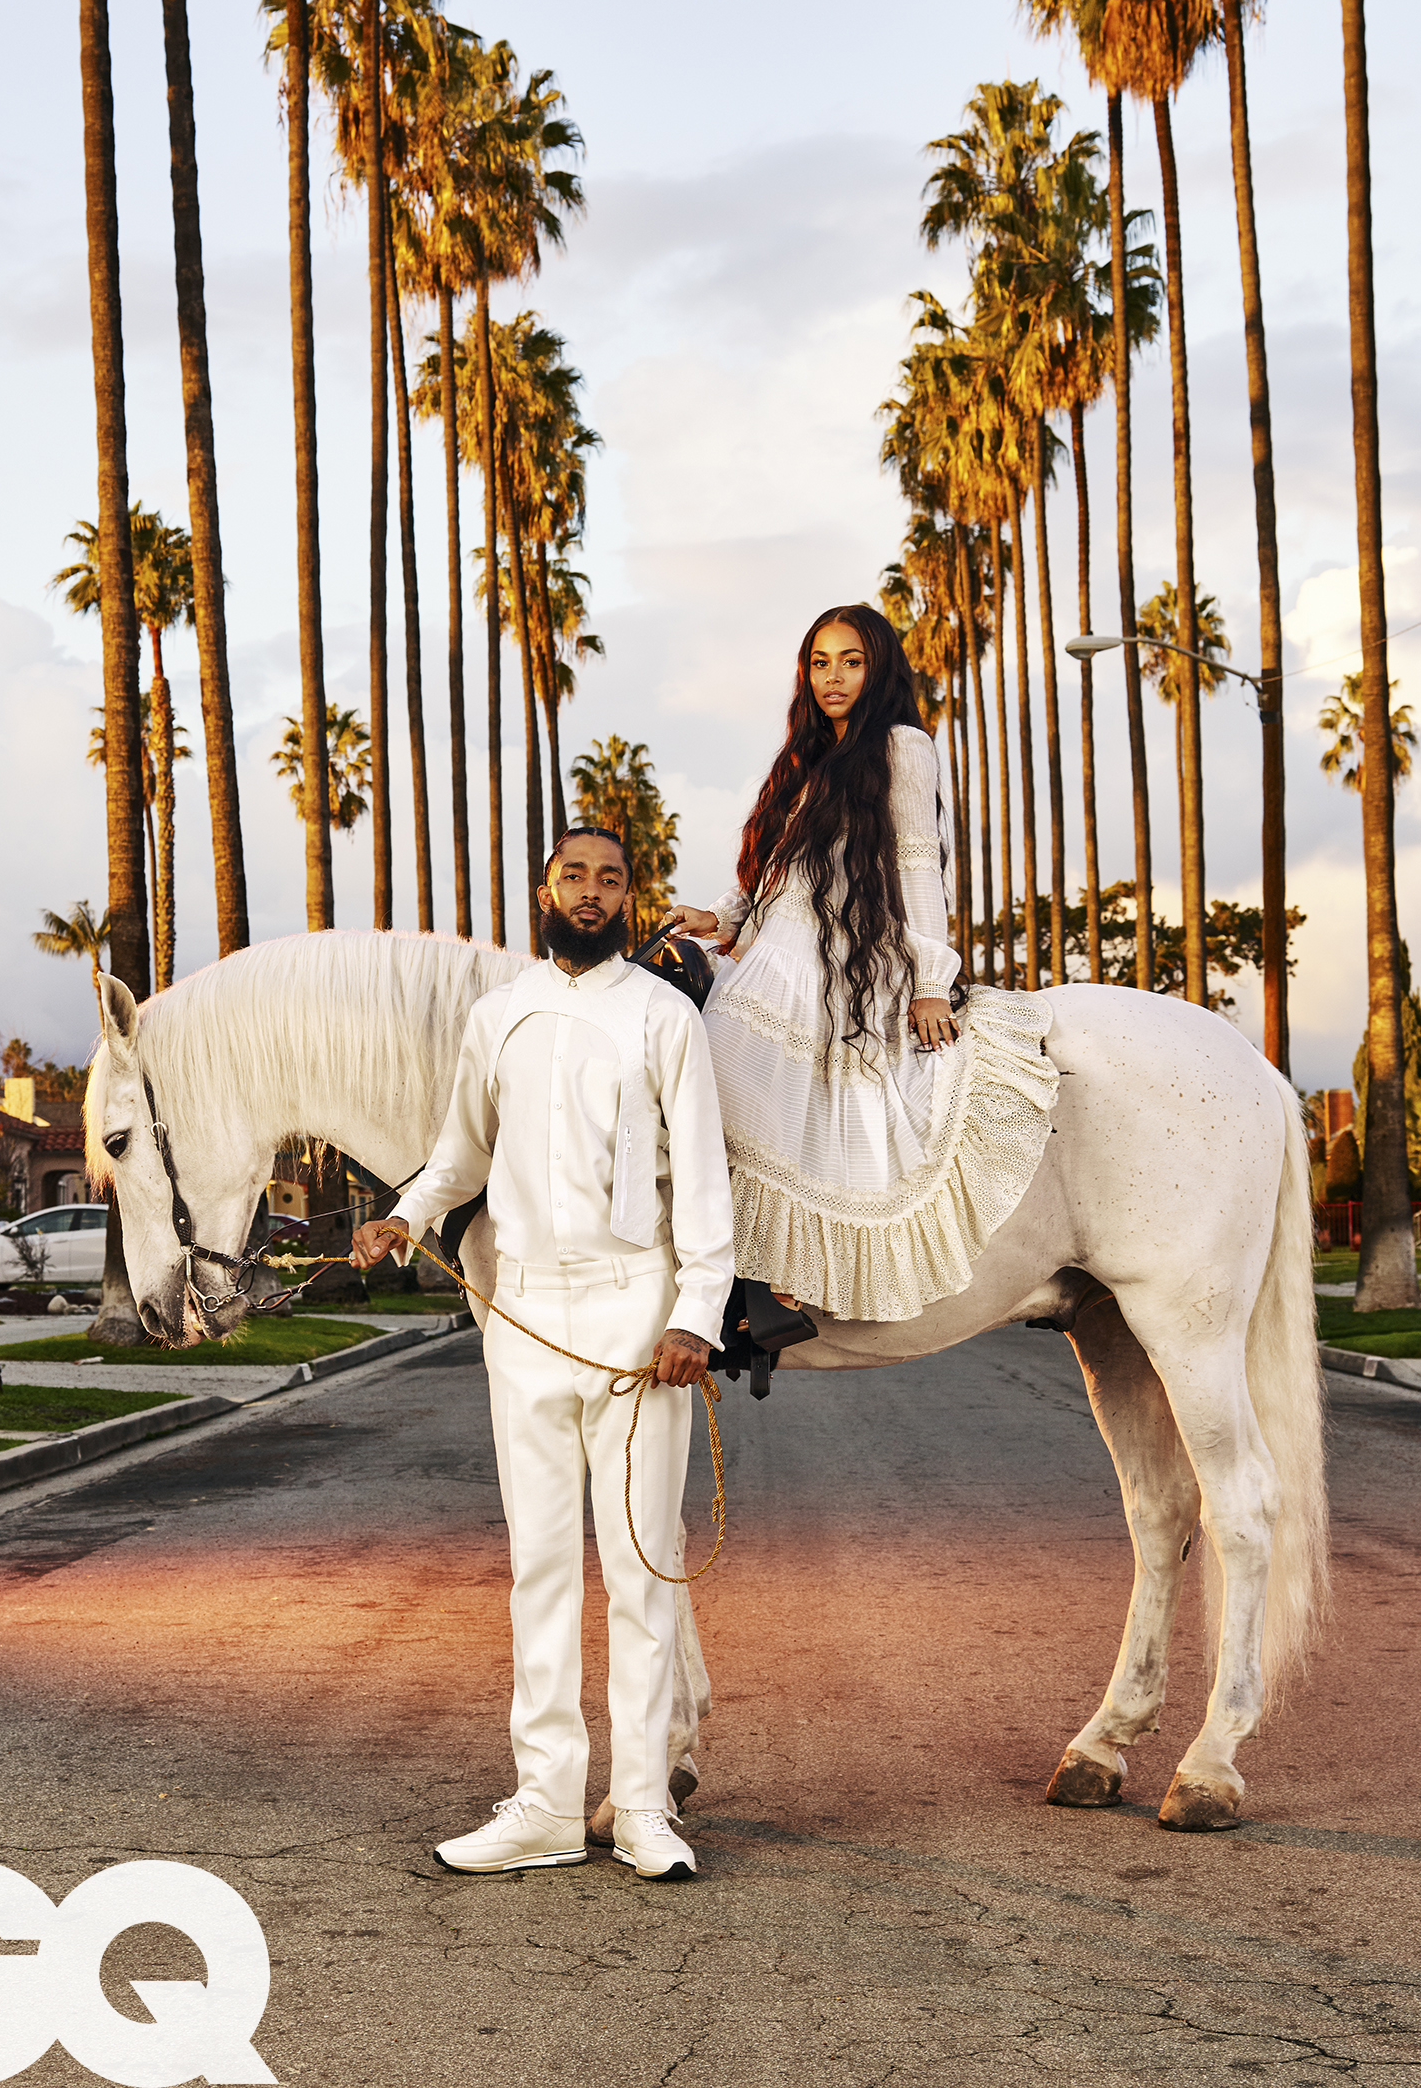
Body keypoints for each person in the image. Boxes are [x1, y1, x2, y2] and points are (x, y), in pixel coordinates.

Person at [352, 827, 735, 1882]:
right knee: (540, 1570)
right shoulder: (500, 1014)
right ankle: (546, 1806)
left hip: (634, 1314)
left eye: (610, 879)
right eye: (575, 876)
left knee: (642, 1569)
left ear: (628, 899)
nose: (591, 892)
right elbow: (459, 1151)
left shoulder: (662, 1015)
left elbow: (703, 1175)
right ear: (544, 891)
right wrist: (404, 1216)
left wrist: (696, 1314)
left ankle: (644, 1804)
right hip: (522, 1317)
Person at [665, 603, 1058, 1330]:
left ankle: (774, 1280)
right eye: (820, 663)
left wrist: (930, 982)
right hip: (771, 954)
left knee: (728, 1074)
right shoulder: (807, 757)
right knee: (698, 1081)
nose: (834, 677)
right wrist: (720, 918)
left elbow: (917, 867)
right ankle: (735, 1273)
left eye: (851, 661)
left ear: (879, 671)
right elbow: (779, 871)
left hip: (836, 961)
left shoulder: (902, 746)